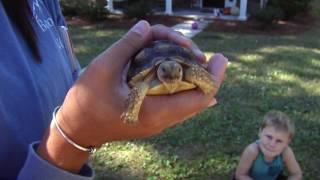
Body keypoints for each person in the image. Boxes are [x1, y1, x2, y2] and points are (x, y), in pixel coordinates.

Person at [0, 0, 228, 179]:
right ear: (157, 72)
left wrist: (207, 84)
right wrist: (74, 135)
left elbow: (69, 76)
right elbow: (139, 86)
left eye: (177, 73)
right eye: (167, 73)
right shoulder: (147, 79)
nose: (172, 77)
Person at [235, 111, 302, 180]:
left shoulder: (286, 152)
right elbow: (240, 175)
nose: (272, 144)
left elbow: (297, 174)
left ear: (287, 143)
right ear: (260, 132)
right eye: (269, 137)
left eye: (279, 141)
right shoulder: (252, 150)